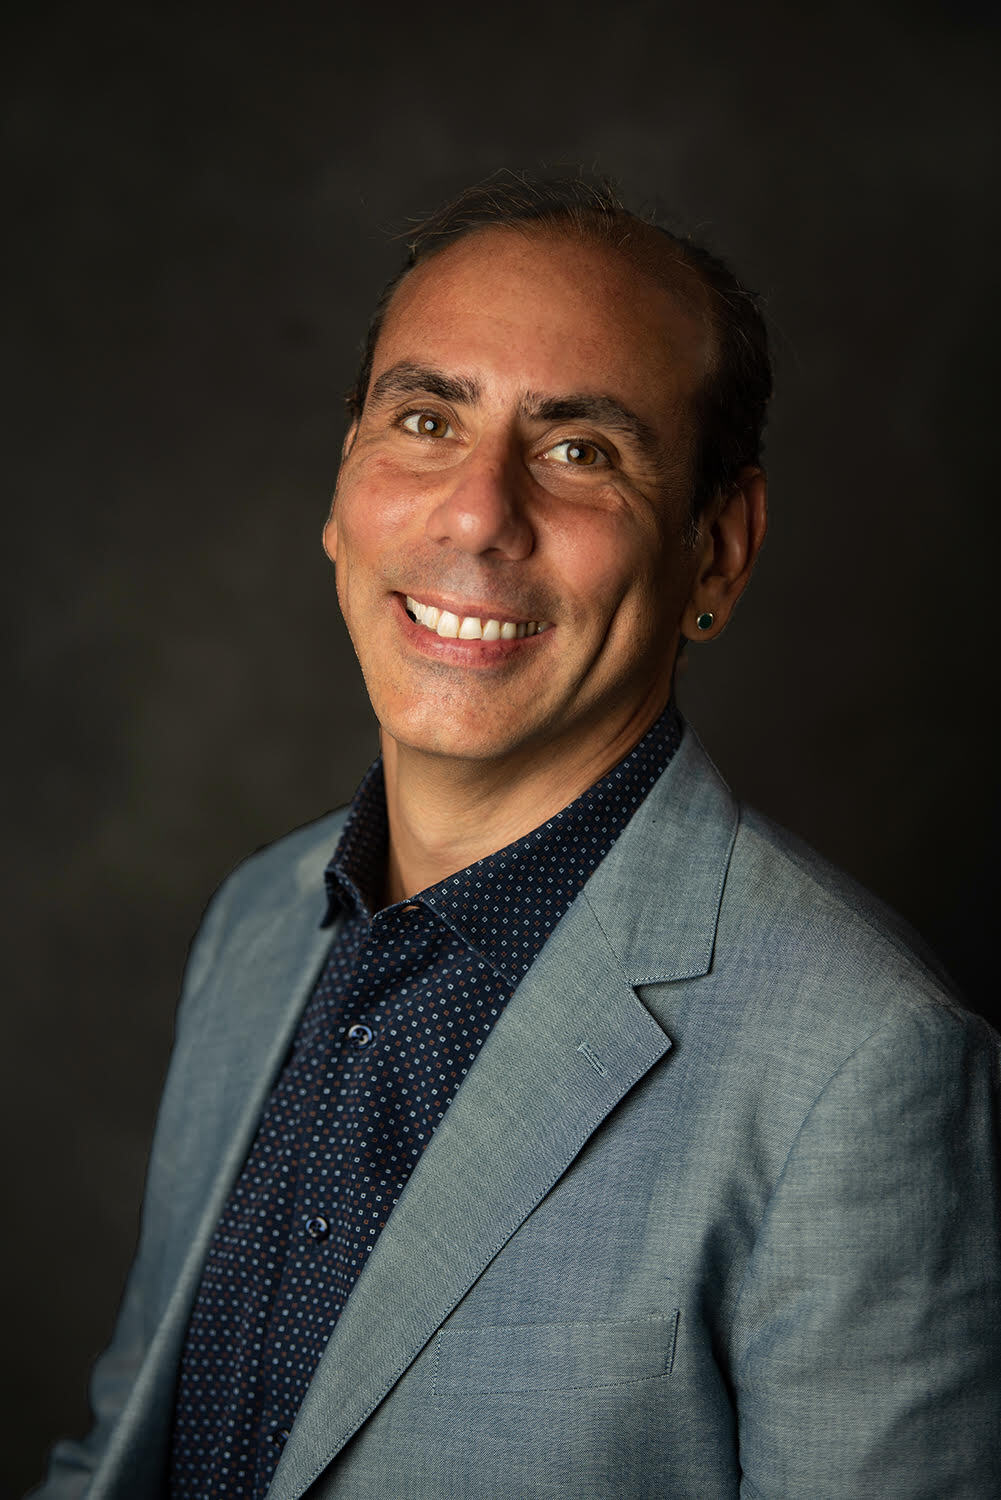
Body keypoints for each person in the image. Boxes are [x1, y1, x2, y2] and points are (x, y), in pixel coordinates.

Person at [34, 175, 1000, 1500]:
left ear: (719, 552)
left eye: (580, 450)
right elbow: (118, 1457)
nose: (477, 512)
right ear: (341, 489)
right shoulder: (255, 922)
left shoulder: (863, 1065)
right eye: (427, 420)